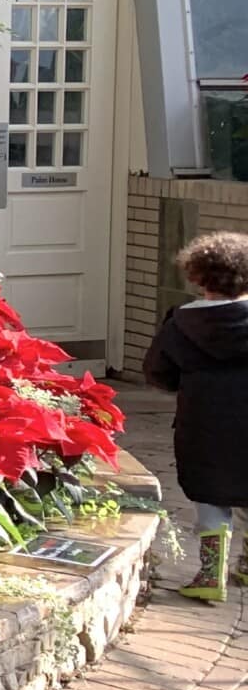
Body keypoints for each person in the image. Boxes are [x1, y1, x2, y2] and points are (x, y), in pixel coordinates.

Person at [144, 231, 248, 604]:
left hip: (204, 421)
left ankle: (210, 576)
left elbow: (159, 372)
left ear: (198, 277)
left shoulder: (181, 324)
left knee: (209, 495)